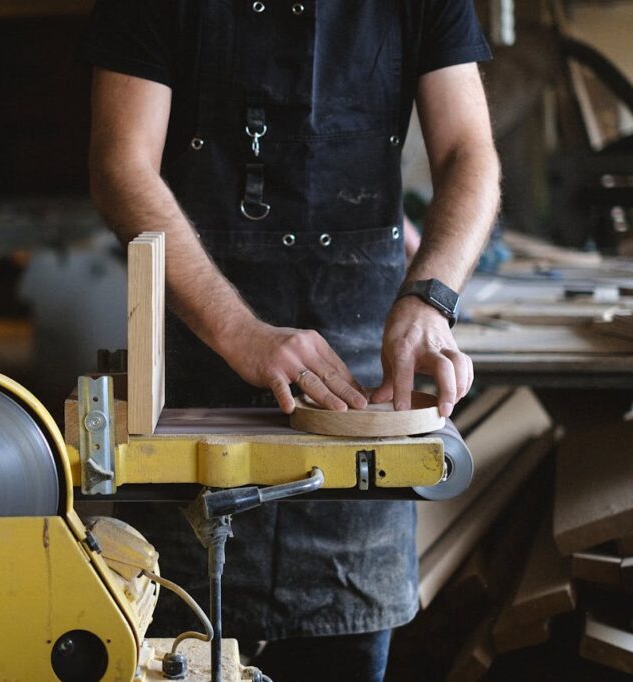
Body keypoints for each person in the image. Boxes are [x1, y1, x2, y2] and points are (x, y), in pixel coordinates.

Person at [81, 2, 499, 680]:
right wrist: (238, 330)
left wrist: (430, 301)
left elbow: (468, 152)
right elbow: (120, 163)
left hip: (363, 396)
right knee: (178, 645)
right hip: (193, 384)